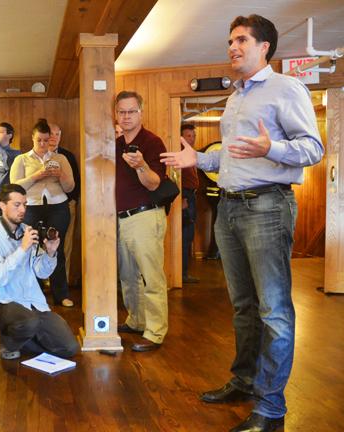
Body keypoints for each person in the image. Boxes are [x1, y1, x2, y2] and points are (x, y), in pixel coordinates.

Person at [160, 14, 323, 432]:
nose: (232, 47)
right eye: (230, 41)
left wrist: (275, 147)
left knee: (274, 312)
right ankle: (245, 379)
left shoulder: (287, 88)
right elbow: (231, 157)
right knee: (243, 308)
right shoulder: (235, 97)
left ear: (264, 45)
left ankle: (271, 410)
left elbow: (312, 148)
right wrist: (199, 159)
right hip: (230, 209)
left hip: (267, 208)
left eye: (241, 40)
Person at [0, 183, 80, 360]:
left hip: (33, 302)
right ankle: (9, 340)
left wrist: (50, 252)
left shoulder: (27, 230)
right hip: (1, 302)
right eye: (17, 205)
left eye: (25, 204)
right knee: (28, 321)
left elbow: (42, 273)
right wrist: (22, 250)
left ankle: (24, 337)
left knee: (69, 348)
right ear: (2, 205)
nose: (22, 210)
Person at [114, 90, 169, 353]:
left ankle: (155, 331)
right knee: (128, 275)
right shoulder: (115, 144)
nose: (126, 116)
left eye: (131, 111)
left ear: (141, 113)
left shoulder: (152, 142)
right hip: (122, 219)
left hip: (146, 216)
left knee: (151, 276)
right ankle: (136, 320)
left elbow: (154, 182)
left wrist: (140, 166)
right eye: (122, 112)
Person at [10, 119, 75, 307]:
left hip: (57, 206)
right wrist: (36, 176)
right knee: (32, 249)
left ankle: (61, 294)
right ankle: (33, 294)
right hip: (31, 207)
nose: (43, 144)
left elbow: (70, 186)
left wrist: (59, 175)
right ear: (33, 138)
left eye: (46, 140)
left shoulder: (60, 159)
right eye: (39, 140)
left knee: (56, 248)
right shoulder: (21, 159)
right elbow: (15, 186)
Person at [48, 123, 80, 285]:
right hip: (44, 207)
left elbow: (76, 182)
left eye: (57, 134)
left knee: (65, 244)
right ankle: (44, 280)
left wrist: (71, 200)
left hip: (67, 205)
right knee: (45, 242)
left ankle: (63, 281)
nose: (54, 137)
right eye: (51, 134)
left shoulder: (68, 156)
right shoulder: (37, 155)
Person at [180, 124, 200, 283]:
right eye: (188, 135)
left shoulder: (191, 154)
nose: (192, 138)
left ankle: (184, 273)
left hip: (192, 196)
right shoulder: (180, 154)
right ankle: (181, 274)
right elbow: (173, 175)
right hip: (185, 196)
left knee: (189, 235)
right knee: (185, 236)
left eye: (193, 135)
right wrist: (181, 199)